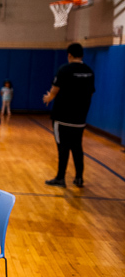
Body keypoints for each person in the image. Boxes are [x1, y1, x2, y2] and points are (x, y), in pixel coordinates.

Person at [43, 42, 95, 188]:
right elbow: (90, 92)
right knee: (77, 147)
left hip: (62, 117)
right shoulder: (89, 71)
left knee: (63, 148)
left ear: (69, 55)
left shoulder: (64, 69)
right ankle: (79, 178)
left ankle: (60, 178)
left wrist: (48, 98)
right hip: (80, 118)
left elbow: (54, 90)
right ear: (82, 55)